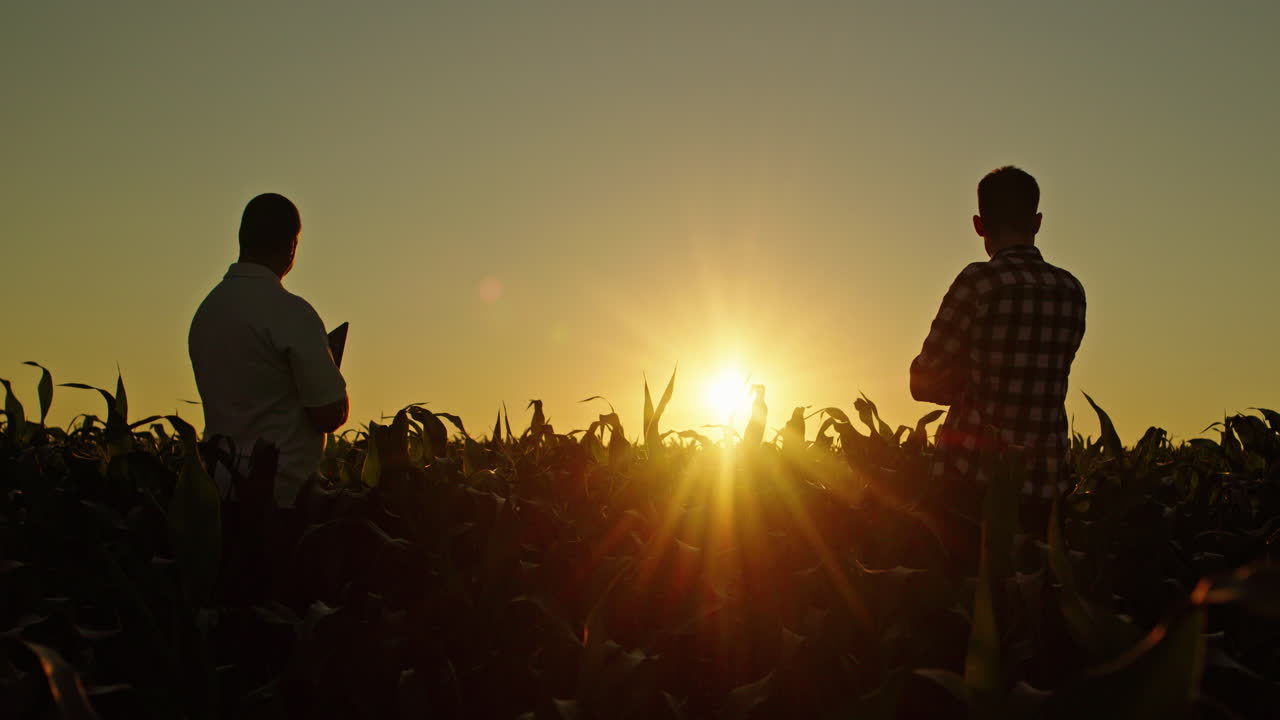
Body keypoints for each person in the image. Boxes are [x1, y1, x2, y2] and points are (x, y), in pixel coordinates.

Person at [910, 166, 1086, 516]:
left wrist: (963, 380)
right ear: (1037, 222)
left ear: (979, 225)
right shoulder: (1071, 290)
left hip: (970, 482)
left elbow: (922, 381)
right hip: (1046, 488)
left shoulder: (978, 282)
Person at [189, 193, 348, 508]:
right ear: (291, 245)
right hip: (283, 494)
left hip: (219, 486)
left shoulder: (207, 311)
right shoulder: (290, 312)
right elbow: (329, 413)